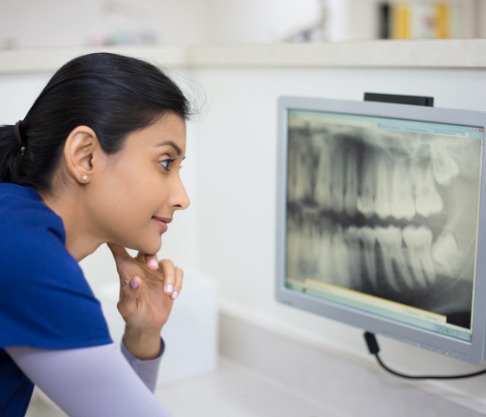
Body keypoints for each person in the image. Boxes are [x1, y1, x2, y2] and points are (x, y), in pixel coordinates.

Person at [0, 52, 193, 416]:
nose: (183, 198)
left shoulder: (16, 222)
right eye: (165, 162)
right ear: (85, 156)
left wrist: (144, 333)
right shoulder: (22, 250)